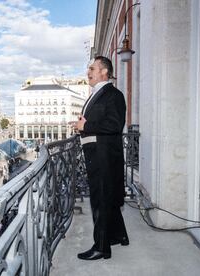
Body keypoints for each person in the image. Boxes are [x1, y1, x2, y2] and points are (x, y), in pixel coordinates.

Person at [72, 56, 129, 260]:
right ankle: (118, 235)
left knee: (101, 201)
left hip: (104, 156)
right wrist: (82, 124)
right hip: (97, 154)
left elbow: (114, 124)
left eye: (92, 68)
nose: (88, 72)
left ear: (104, 71)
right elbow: (99, 120)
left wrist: (85, 126)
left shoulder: (113, 95)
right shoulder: (97, 94)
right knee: (108, 198)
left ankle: (102, 247)